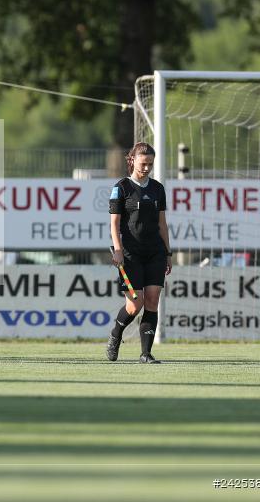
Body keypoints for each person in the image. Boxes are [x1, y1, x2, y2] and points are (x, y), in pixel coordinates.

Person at [106, 142, 172, 364]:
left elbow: (162, 224)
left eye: (150, 164)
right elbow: (114, 225)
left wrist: (168, 253)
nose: (147, 168)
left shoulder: (157, 189)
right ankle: (116, 334)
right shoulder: (121, 188)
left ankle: (146, 354)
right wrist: (117, 250)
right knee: (136, 304)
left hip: (155, 252)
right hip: (130, 254)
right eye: (143, 163)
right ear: (132, 159)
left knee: (152, 300)